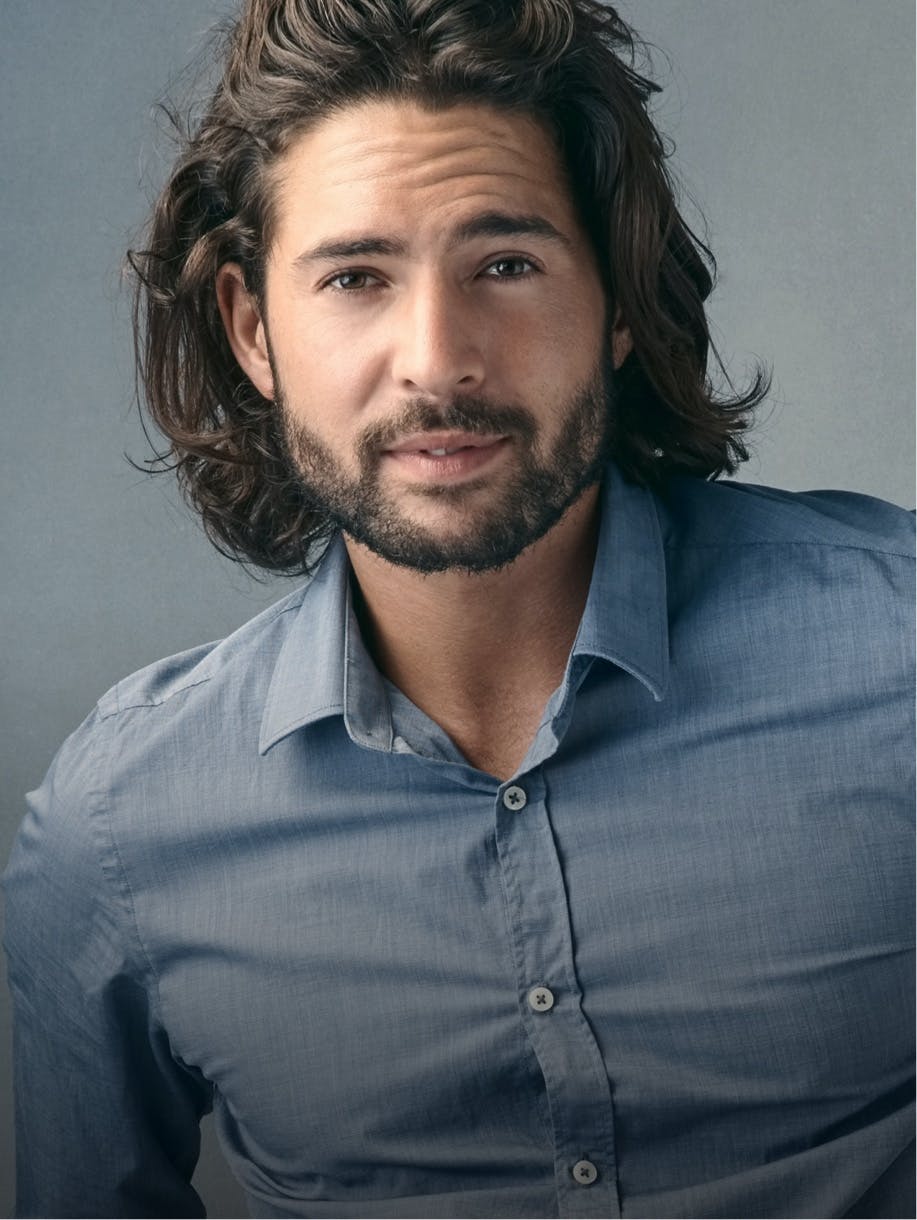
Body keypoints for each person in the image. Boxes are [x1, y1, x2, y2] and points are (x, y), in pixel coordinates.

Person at [3, 0, 913, 1216]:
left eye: (504, 265)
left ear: (620, 303)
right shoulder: (117, 826)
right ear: (250, 330)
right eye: (354, 277)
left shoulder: (895, 647)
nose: (436, 357)